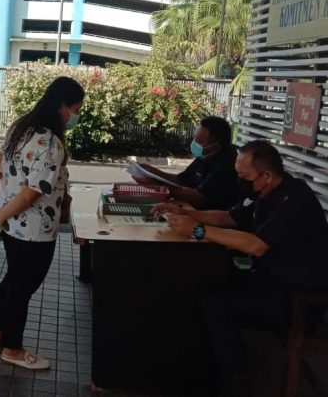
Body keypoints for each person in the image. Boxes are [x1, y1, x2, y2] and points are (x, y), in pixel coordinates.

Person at [158, 140, 328, 397]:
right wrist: (185, 213)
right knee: (201, 280)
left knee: (216, 306)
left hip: (295, 299)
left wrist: (198, 230)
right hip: (267, 280)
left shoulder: (293, 199)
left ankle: (235, 383)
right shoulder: (263, 190)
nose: (240, 181)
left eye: (245, 176)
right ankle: (196, 366)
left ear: (266, 175)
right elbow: (229, 217)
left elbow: (256, 245)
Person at [0, 76, 84, 371]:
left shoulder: (21, 127)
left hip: (13, 226)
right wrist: (2, 213)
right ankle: (13, 349)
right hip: (34, 229)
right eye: (76, 109)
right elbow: (32, 193)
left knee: (14, 279)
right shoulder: (50, 143)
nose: (75, 115)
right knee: (22, 288)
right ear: (63, 105)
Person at [132, 116, 238, 209]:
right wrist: (153, 172)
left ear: (216, 146)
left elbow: (199, 197)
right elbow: (181, 180)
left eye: (200, 141)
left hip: (208, 218)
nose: (194, 143)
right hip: (189, 209)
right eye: (195, 138)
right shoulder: (205, 156)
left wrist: (158, 185)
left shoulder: (226, 164)